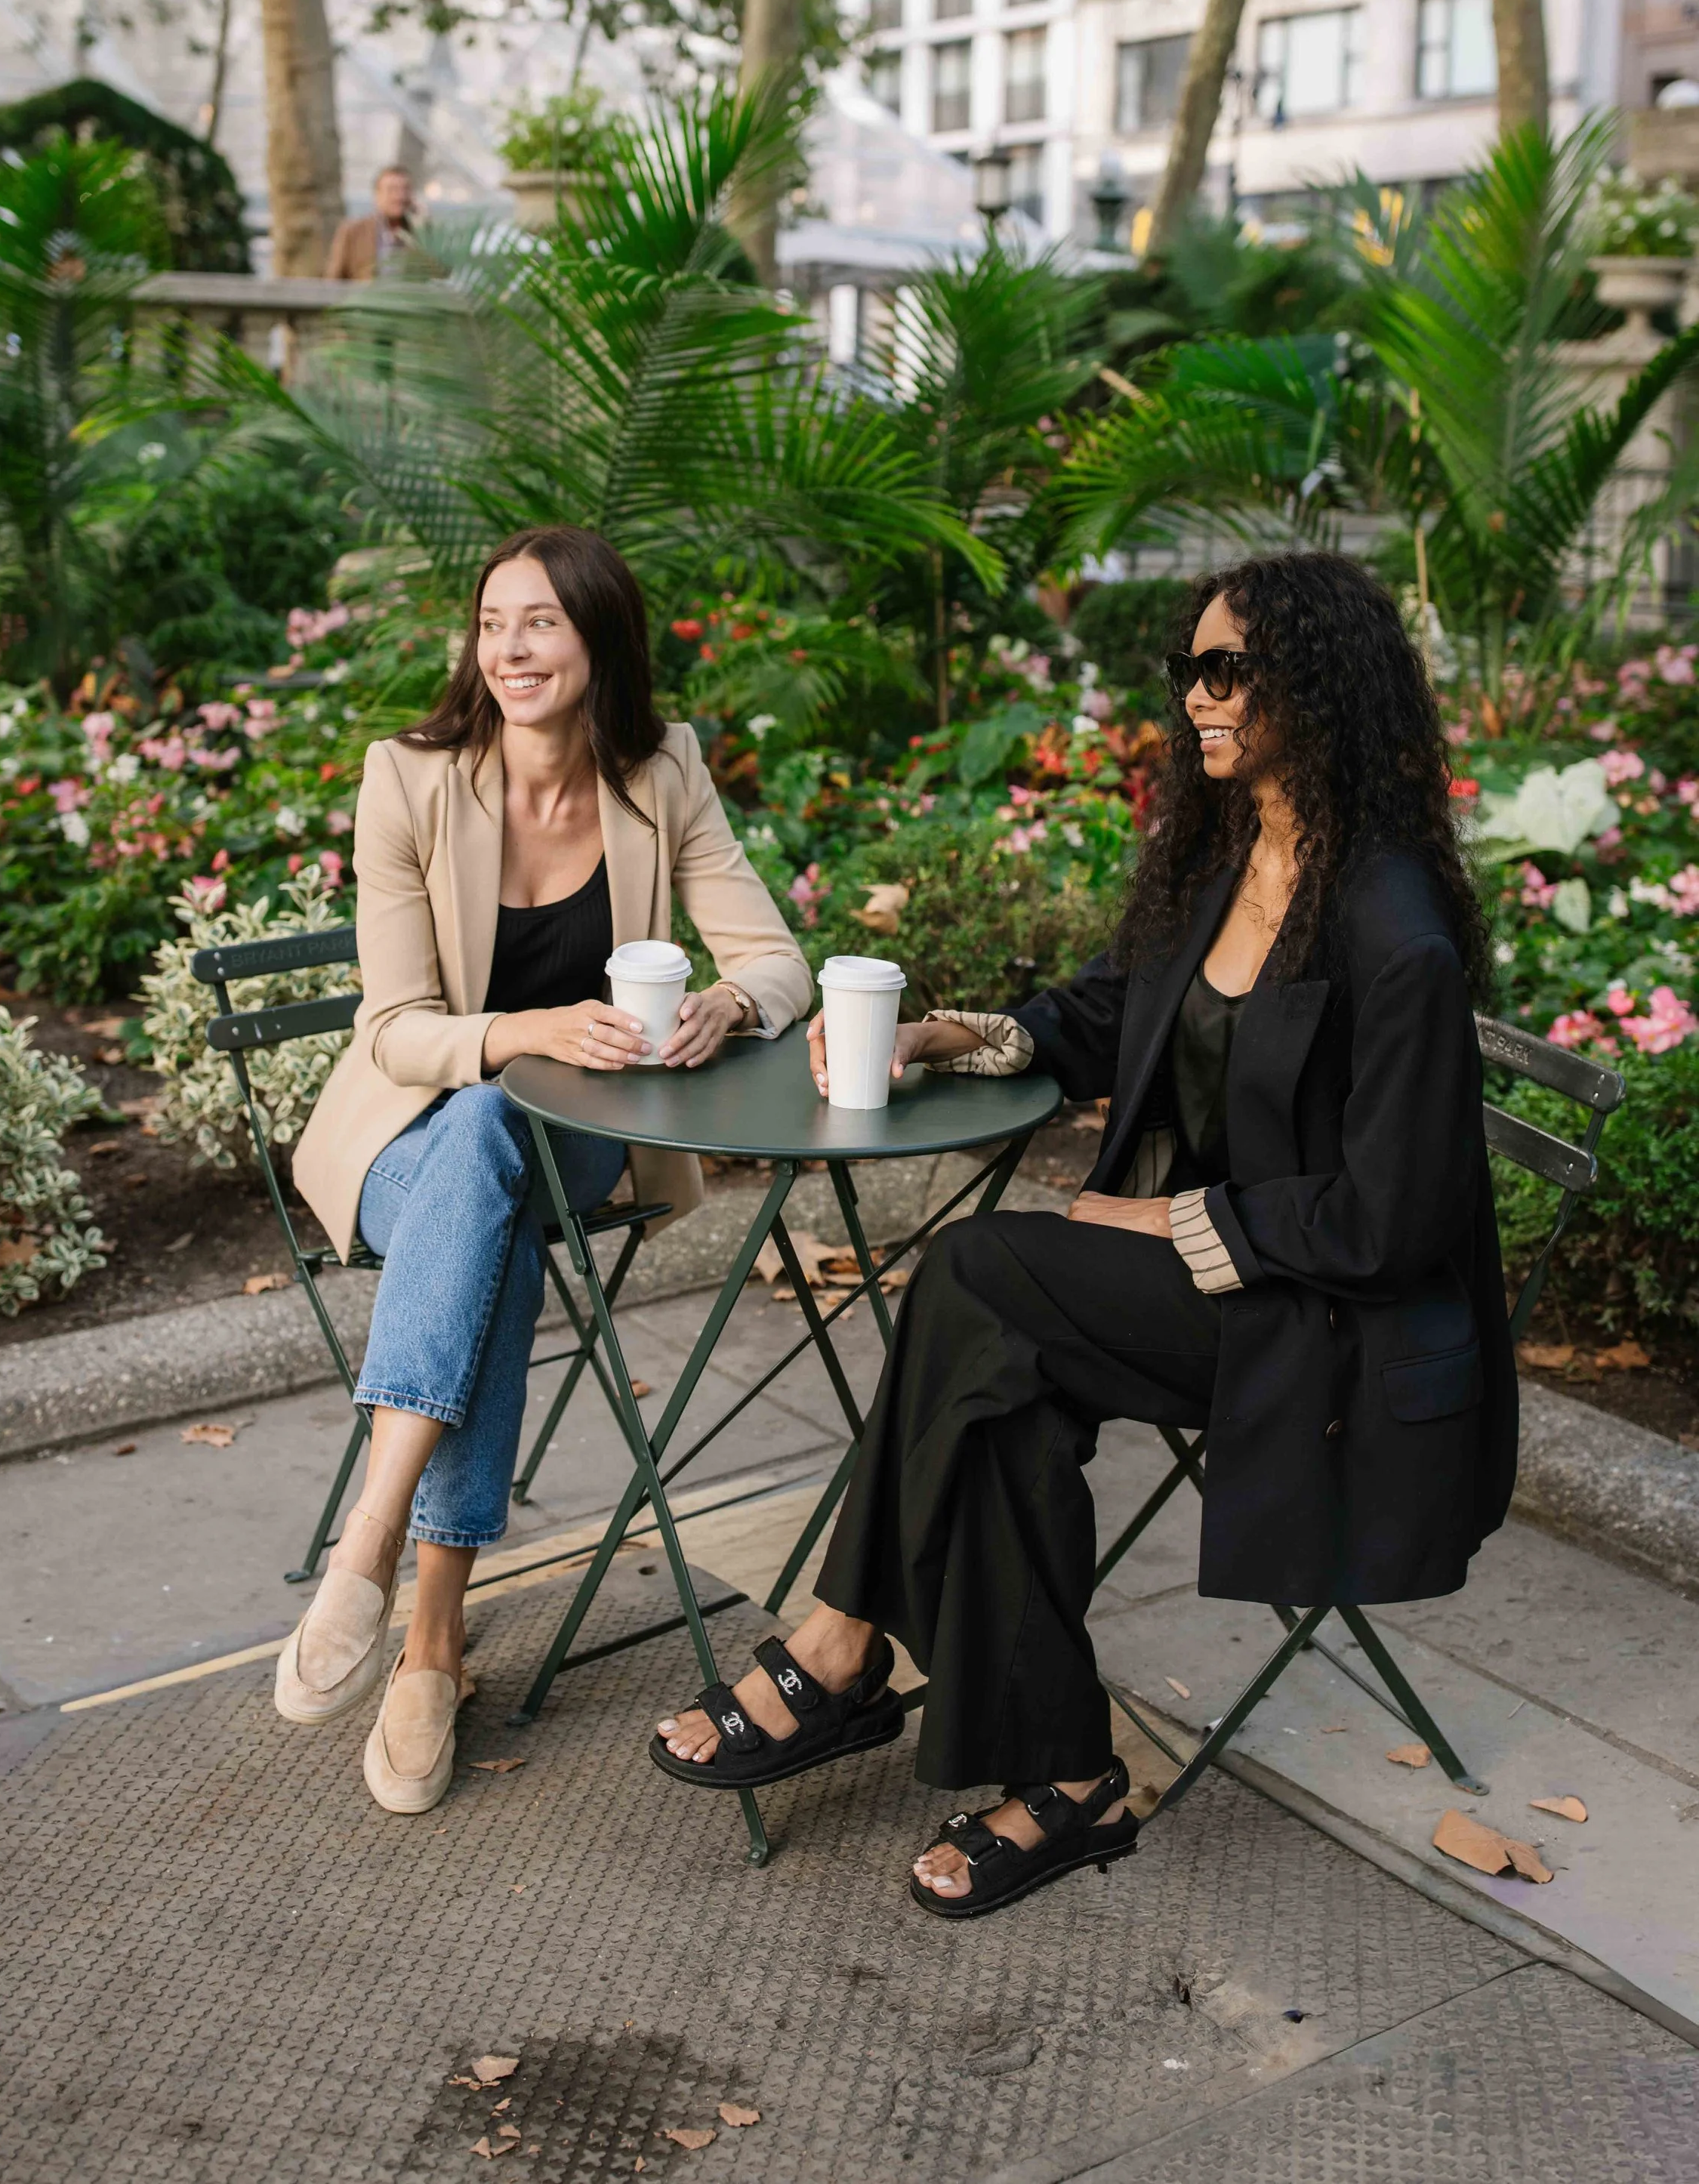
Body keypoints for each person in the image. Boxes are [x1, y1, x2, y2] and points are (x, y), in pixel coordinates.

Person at [651, 551, 1509, 1922]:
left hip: (1319, 1323)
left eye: (1231, 671)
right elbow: (1113, 1012)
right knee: (1002, 1393)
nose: (1201, 697)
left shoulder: (1392, 925)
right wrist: (956, 1034)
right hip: (1216, 1290)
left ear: (1320, 688)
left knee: (982, 1273)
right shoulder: (1233, 855)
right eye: (1193, 669)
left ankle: (842, 1643)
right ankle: (1060, 1772)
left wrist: (1169, 1218)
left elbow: (1392, 1219)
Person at [279, 524, 812, 1813]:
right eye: (492, 621)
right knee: (480, 1154)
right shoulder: (409, 779)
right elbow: (397, 1026)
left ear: (599, 641)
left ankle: (374, 1531)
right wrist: (523, 1030)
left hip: (578, 1140)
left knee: (502, 1151)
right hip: (415, 1138)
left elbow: (780, 959)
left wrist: (728, 1009)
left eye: (541, 623)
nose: (509, 648)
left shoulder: (662, 771)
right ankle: (427, 1640)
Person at [325, 165, 416, 279]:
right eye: (392, 190)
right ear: (377, 195)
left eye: (405, 189)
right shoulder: (353, 231)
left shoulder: (420, 235)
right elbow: (334, 278)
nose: (400, 197)